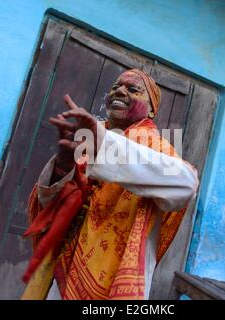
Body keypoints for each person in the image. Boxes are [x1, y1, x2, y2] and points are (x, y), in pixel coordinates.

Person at [21, 69, 198, 300]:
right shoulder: (90, 138)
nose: (120, 91)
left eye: (133, 89)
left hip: (114, 283)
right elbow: (50, 206)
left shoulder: (154, 146)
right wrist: (62, 167)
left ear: (152, 109)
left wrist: (104, 145)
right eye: (116, 87)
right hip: (61, 272)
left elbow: (186, 185)